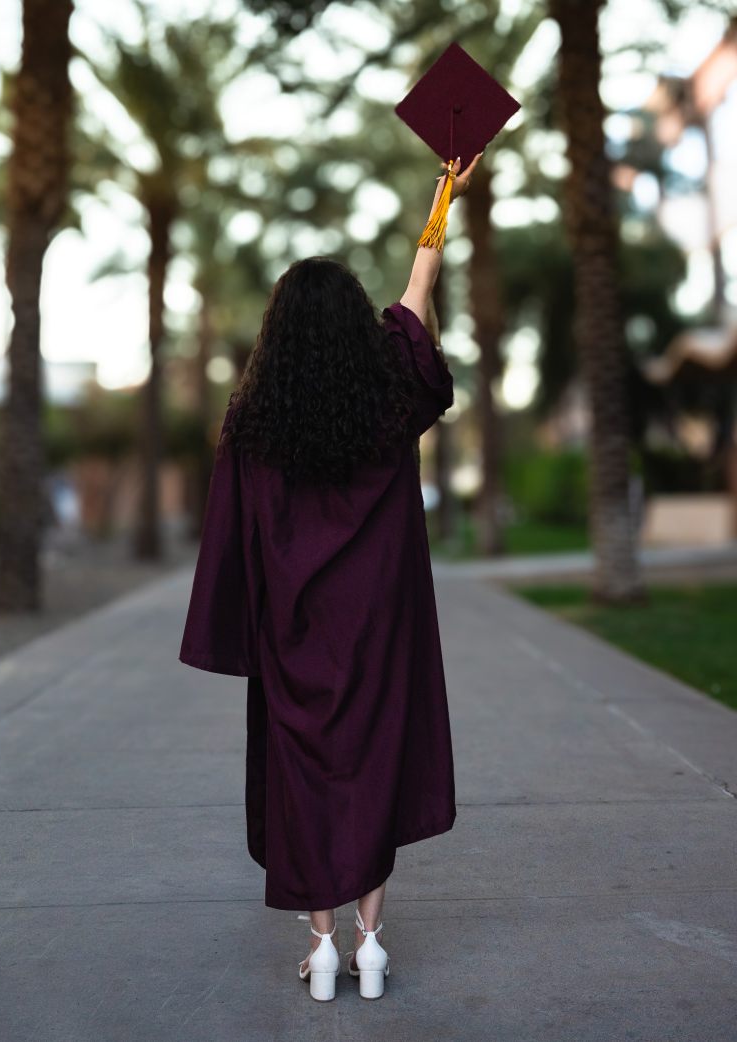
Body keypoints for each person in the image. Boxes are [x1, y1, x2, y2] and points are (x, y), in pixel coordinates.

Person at [178, 151, 483, 1001]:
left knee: (307, 784)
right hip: (379, 630)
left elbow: (230, 538)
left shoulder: (252, 423)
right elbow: (416, 301)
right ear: (355, 329)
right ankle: (370, 945)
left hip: (294, 637)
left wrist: (239, 626)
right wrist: (444, 197)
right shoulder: (386, 402)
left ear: (275, 334)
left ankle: (320, 950)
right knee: (374, 773)